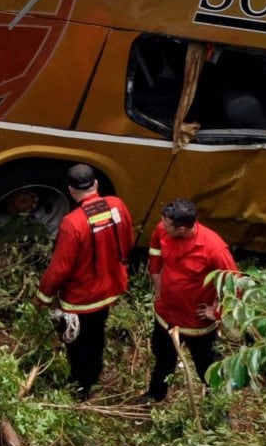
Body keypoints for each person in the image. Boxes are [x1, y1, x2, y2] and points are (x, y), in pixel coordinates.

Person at [35, 163, 132, 396]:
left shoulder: (72, 223)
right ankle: (93, 373)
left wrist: (43, 295)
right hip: (110, 288)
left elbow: (60, 267)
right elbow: (127, 238)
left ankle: (80, 385)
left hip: (82, 297)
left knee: (77, 342)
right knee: (96, 333)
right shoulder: (117, 205)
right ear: (96, 183)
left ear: (70, 190)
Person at [145, 199, 240, 402]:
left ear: (181, 228)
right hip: (166, 315)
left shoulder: (213, 248)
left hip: (197, 324)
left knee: (207, 367)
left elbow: (236, 285)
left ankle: (217, 408)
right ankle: (155, 395)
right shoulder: (163, 229)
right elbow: (155, 250)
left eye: (168, 225)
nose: (162, 226)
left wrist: (217, 312)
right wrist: (155, 275)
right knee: (162, 359)